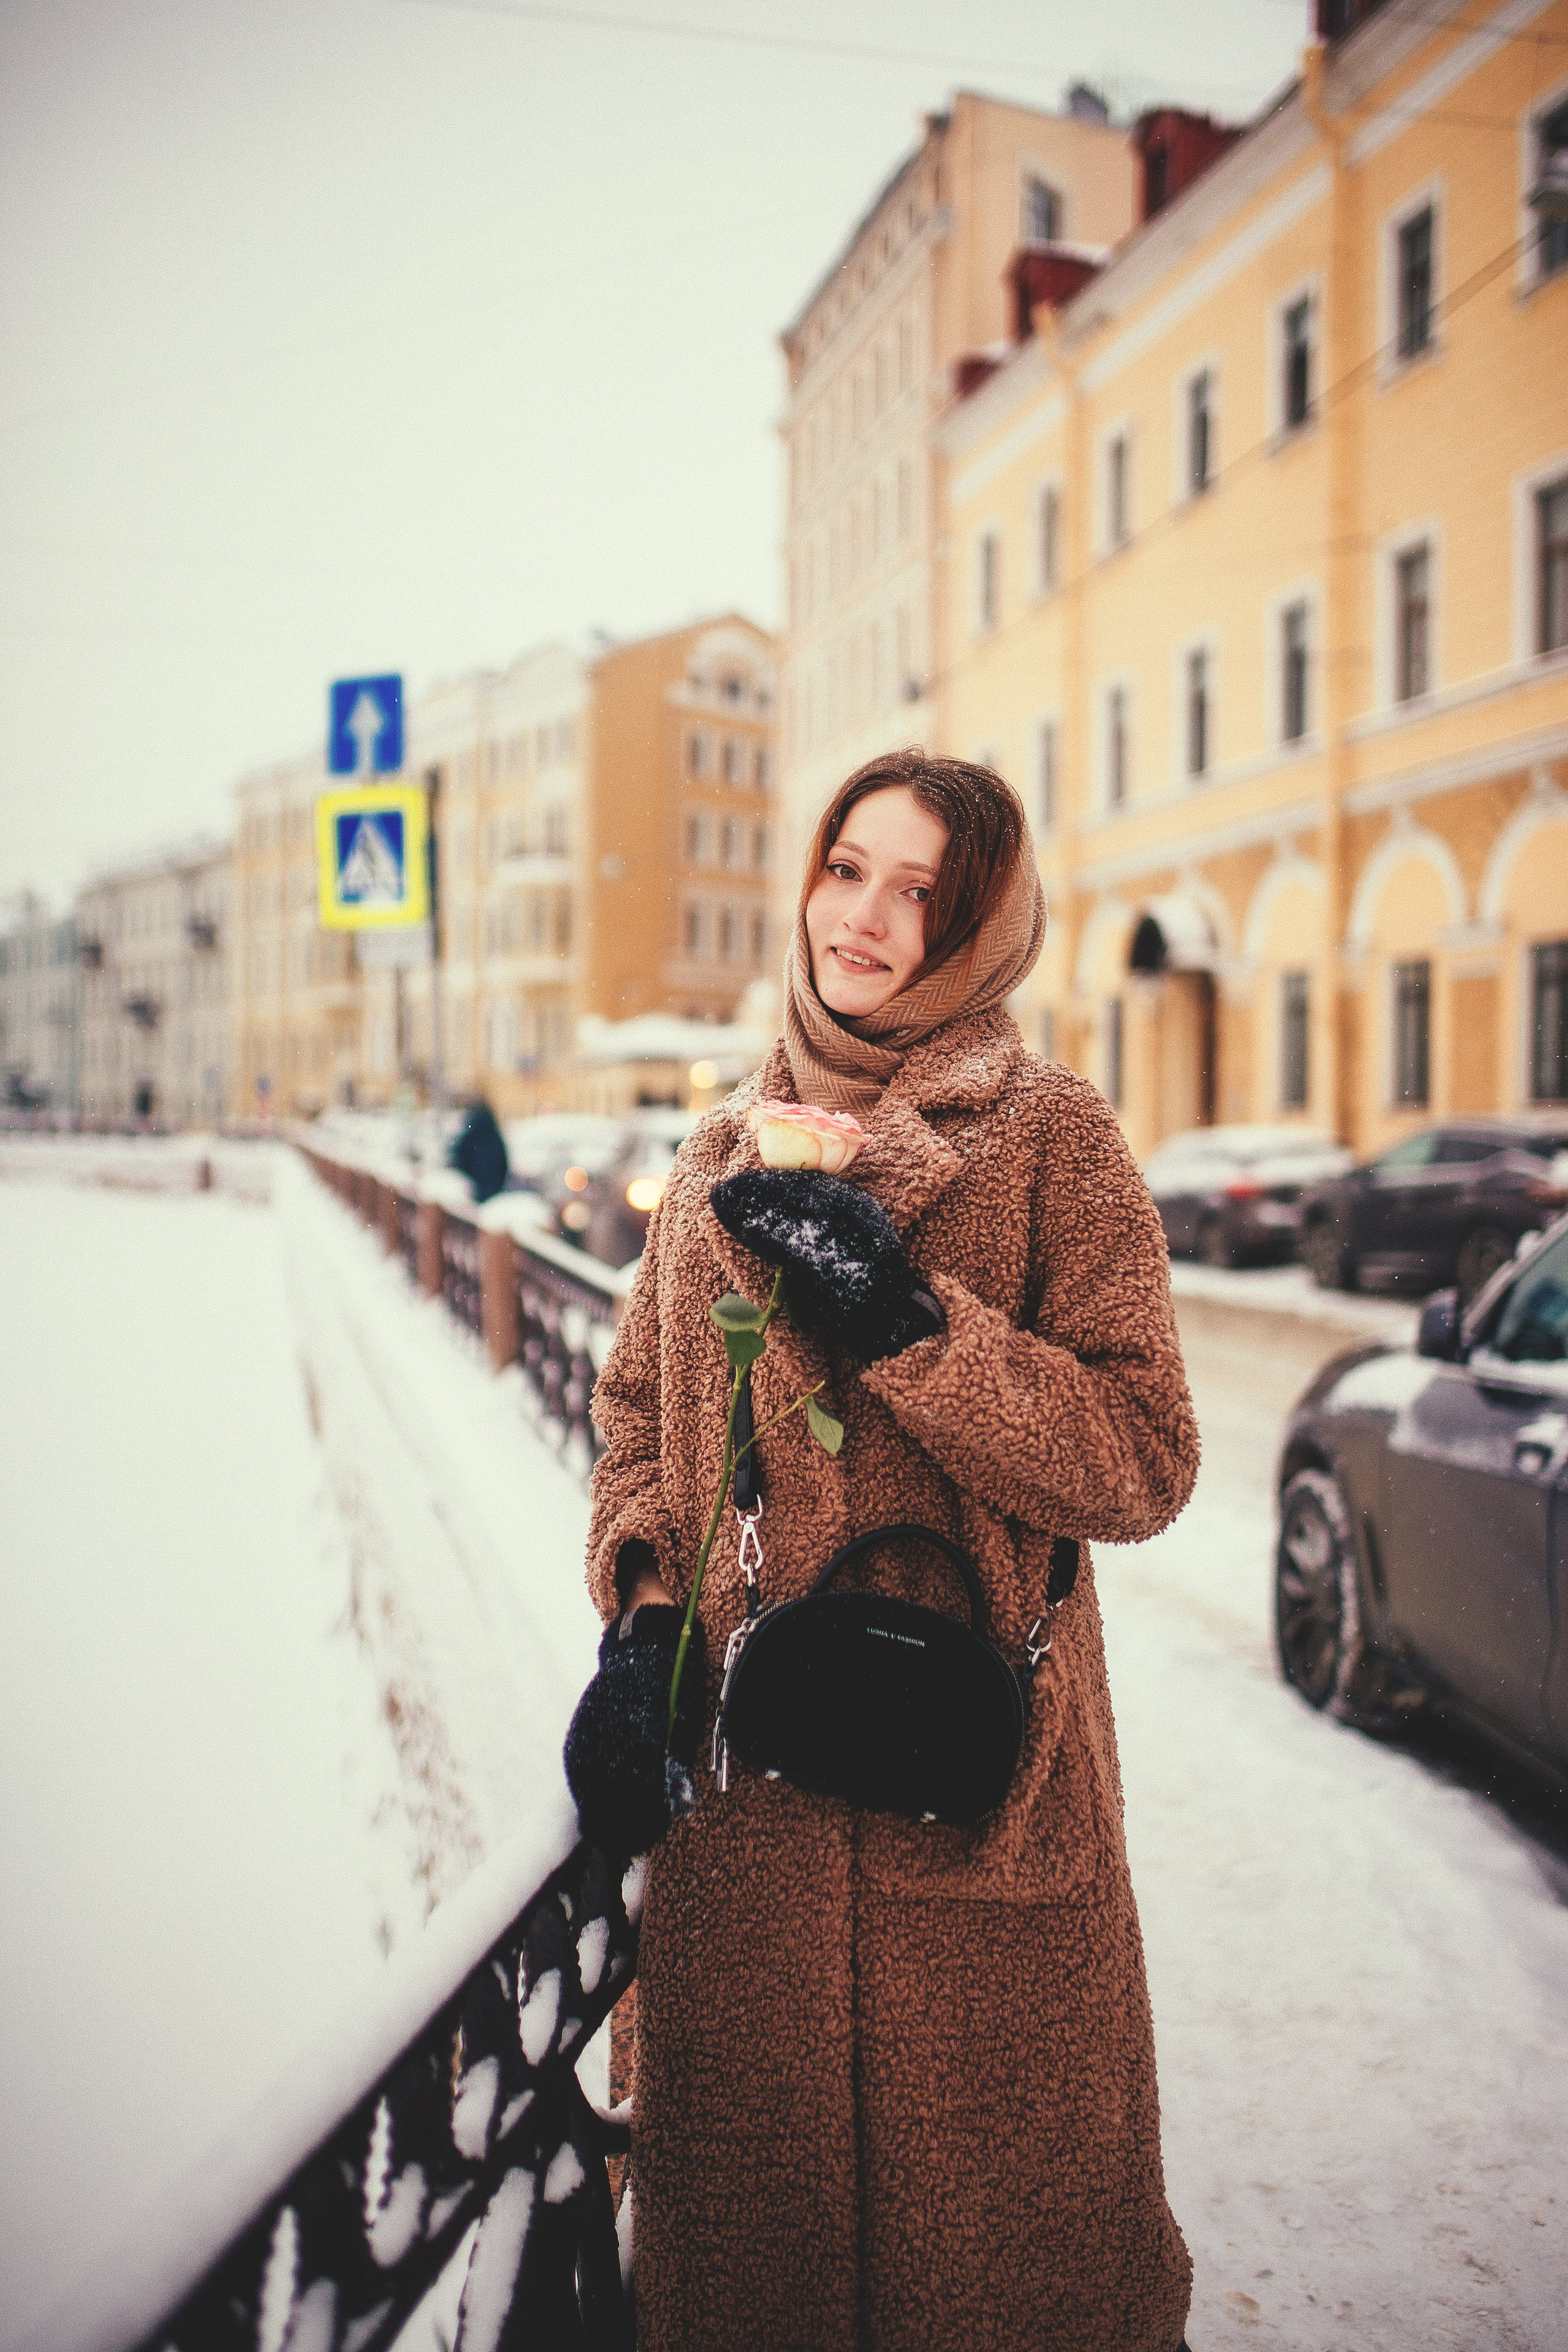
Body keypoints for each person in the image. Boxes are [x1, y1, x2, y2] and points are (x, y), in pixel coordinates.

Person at [565, 751, 1200, 2352]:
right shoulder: (716, 1162)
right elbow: (638, 1418)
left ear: (978, 929)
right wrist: (643, 1632)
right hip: (747, 1859)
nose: (865, 916)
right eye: (848, 868)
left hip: (978, 1824)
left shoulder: (1053, 1140)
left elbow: (1143, 1457)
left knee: (994, 2284)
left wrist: (910, 1322)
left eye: (920, 890)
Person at [448, 1094, 508, 1203]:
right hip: (494, 1191)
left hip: (473, 1190)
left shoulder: (471, 1136)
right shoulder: (496, 1138)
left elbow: (458, 1158)